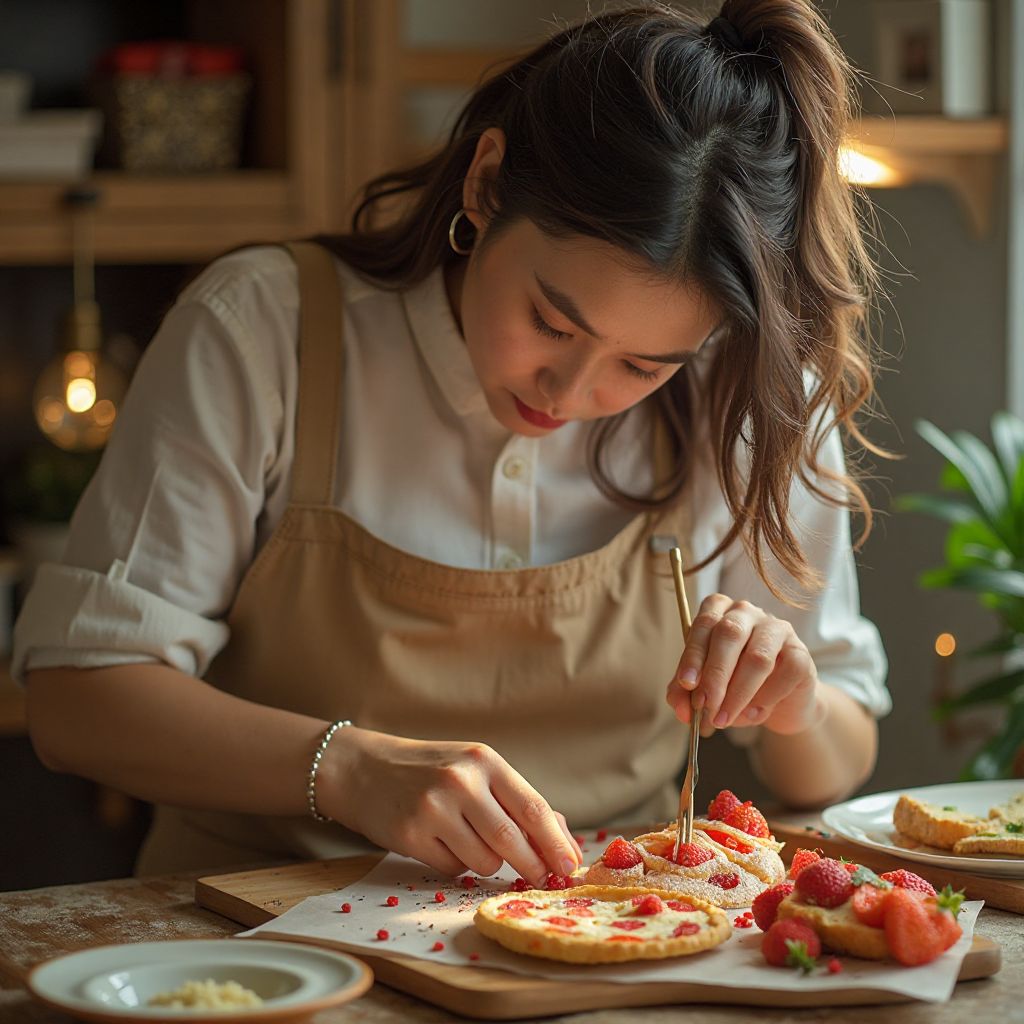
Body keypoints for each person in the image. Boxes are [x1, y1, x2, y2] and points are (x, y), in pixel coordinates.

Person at [14, 0, 889, 887]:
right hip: (262, 948)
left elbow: (833, 760)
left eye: (642, 366)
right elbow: (77, 699)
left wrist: (797, 700)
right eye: (551, 321)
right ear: (486, 183)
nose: (573, 393)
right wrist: (348, 771)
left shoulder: (744, 396)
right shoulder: (266, 331)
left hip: (614, 939)